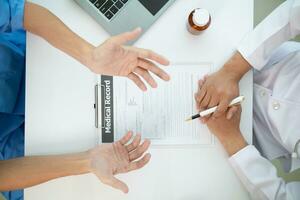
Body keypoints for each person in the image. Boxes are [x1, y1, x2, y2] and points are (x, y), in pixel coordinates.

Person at [0, 1, 171, 199]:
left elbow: (20, 11)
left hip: (34, 56)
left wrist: (89, 55)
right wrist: (86, 161)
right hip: (21, 154)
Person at [195, 0, 300, 199]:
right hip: (252, 58)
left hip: (247, 141)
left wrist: (231, 138)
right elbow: (295, 12)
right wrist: (233, 69)